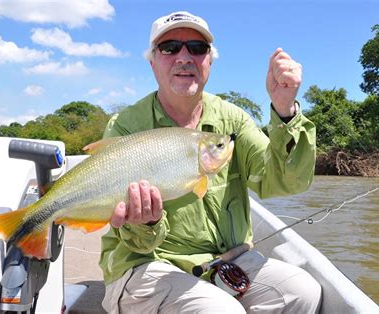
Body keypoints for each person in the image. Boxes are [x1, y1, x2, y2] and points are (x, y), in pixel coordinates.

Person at [99, 11, 321, 313]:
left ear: (209, 61)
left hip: (227, 261)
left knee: (303, 292)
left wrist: (285, 112)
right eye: (169, 48)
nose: (184, 57)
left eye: (197, 48)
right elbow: (137, 244)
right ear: (152, 61)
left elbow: (284, 182)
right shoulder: (127, 126)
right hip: (145, 263)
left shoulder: (232, 120)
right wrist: (146, 222)